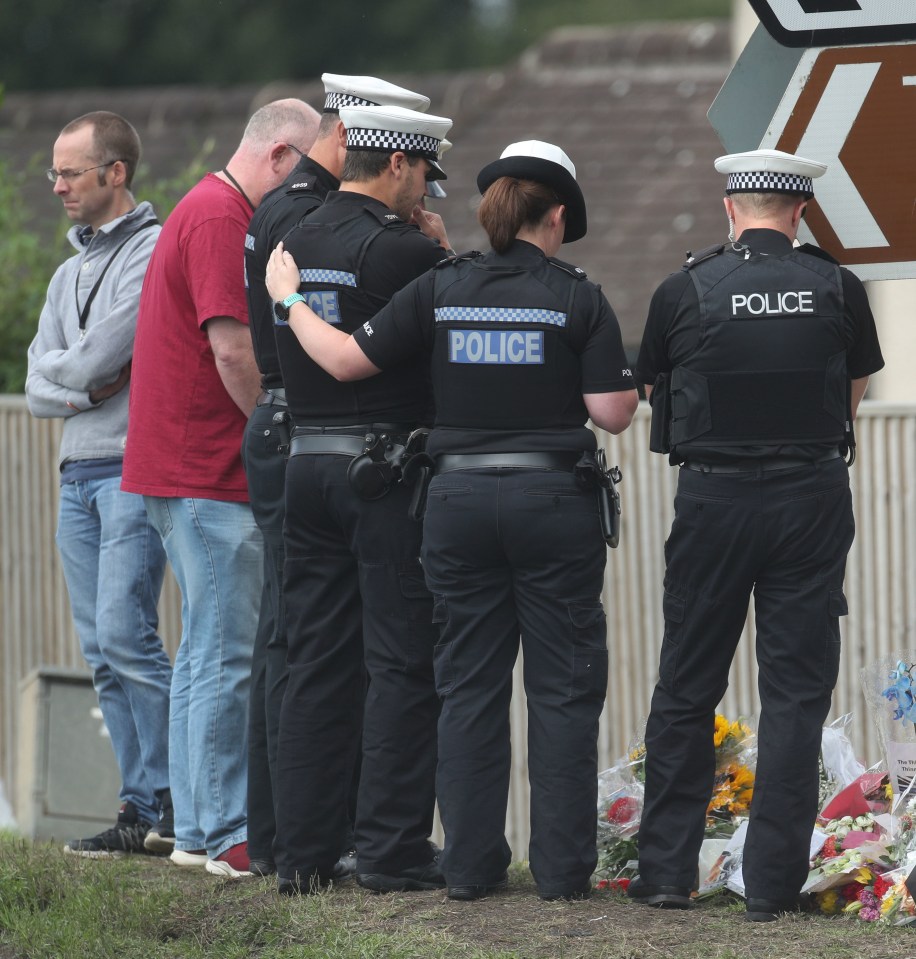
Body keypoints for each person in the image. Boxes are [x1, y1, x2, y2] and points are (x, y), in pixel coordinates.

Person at [266, 139, 639, 901]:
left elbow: (342, 361)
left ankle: (470, 868)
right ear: (558, 216)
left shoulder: (443, 287)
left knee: (467, 684)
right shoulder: (576, 296)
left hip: (455, 507)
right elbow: (612, 412)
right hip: (552, 504)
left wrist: (291, 301)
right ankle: (564, 873)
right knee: (563, 690)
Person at [627, 149, 884, 921]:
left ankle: (667, 872)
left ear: (731, 207)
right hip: (811, 498)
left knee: (687, 681)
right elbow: (853, 394)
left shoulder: (685, 287)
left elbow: (650, 387)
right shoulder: (838, 285)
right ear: (800, 211)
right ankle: (771, 885)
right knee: (796, 689)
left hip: (713, 499)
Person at [121, 98, 320, 879]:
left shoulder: (206, 207)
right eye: (301, 175)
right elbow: (233, 350)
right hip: (206, 467)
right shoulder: (219, 218)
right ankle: (227, 824)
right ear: (277, 158)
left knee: (207, 648)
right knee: (227, 652)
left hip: (186, 466)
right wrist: (278, 432)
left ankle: (199, 827)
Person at [241, 74, 432, 878]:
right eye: (422, 169)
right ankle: (389, 848)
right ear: (395, 163)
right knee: (396, 659)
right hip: (381, 468)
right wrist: (441, 250)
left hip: (304, 460)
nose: (424, 185)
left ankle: (301, 854)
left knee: (312, 659)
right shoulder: (405, 248)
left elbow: (267, 352)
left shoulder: (288, 229)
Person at [25, 111, 173, 857]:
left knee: (127, 633)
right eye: (54, 173)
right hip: (74, 469)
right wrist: (82, 382)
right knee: (100, 649)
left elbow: (85, 360)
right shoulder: (65, 272)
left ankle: (182, 796)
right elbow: (41, 374)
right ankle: (139, 804)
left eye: (70, 173)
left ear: (116, 173)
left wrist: (75, 374)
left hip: (128, 467)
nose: (56, 187)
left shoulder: (152, 252)